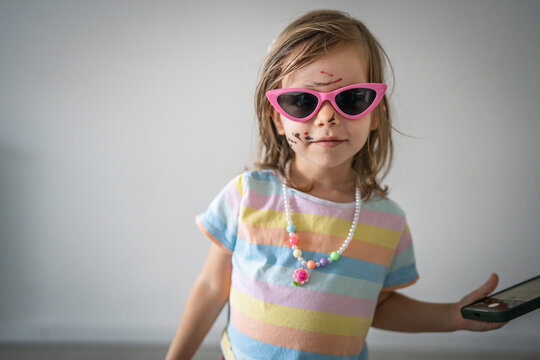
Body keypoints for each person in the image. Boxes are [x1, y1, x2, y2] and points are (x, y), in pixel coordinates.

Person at [166, 9, 506, 360]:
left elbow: (378, 306)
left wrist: (451, 316)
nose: (327, 116)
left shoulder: (388, 223)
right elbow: (210, 287)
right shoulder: (246, 196)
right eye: (301, 101)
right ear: (277, 119)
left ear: (376, 113)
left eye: (351, 98)